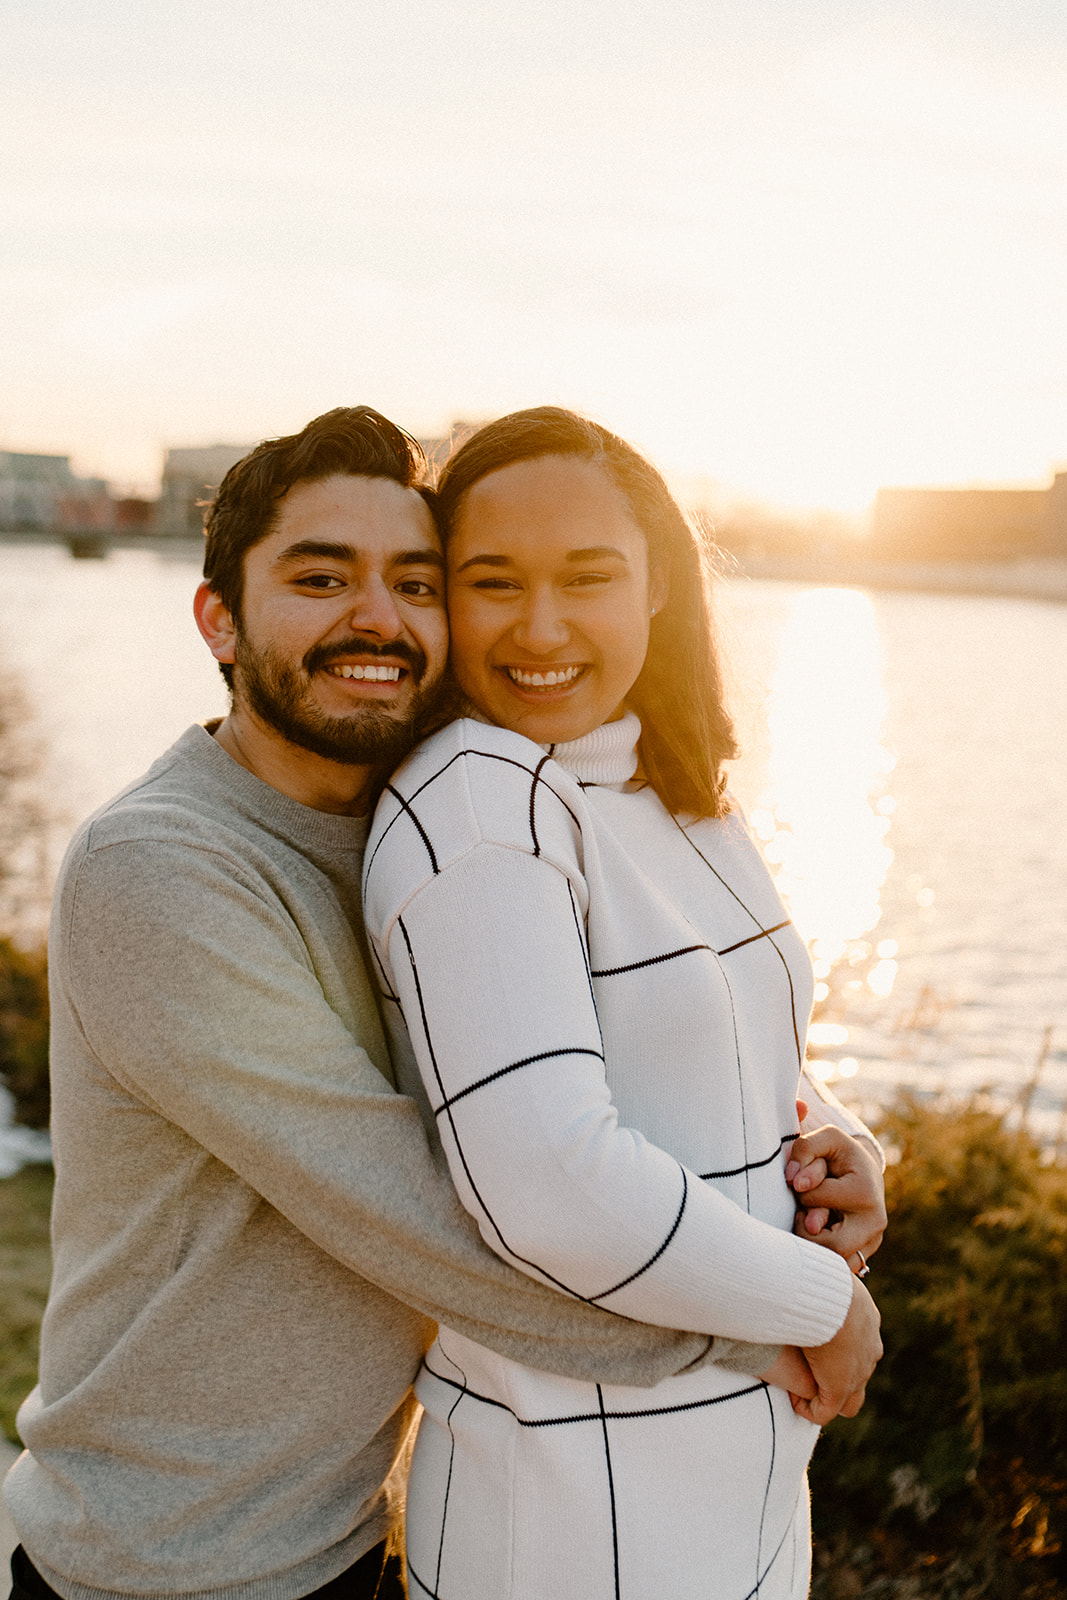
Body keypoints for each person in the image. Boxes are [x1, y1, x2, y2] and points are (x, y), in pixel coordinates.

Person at [4, 407, 822, 1600]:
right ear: (218, 617)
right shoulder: (161, 869)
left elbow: (644, 1017)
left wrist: (824, 1132)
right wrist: (772, 1323)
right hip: (158, 1561)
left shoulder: (418, 819)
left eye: (416, 581)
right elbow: (426, 1218)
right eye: (319, 577)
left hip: (337, 1537)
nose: (376, 618)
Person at [362, 407, 885, 1599]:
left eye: (586, 578)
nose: (539, 628)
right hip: (563, 1502)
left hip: (735, 1476)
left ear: (655, 585)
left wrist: (841, 1139)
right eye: (492, 582)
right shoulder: (476, 802)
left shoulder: (663, 780)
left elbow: (726, 1030)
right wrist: (822, 1305)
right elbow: (546, 1175)